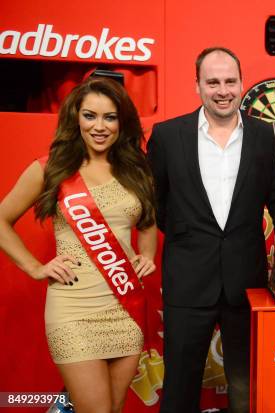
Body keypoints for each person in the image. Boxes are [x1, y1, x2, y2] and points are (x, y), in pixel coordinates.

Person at [146, 46, 275, 413]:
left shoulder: (267, 136)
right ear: (197, 85)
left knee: (246, 389)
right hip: (188, 280)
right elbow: (155, 204)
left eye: (230, 81)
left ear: (242, 83)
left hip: (247, 283)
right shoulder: (167, 136)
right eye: (213, 82)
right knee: (179, 388)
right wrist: (189, 237)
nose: (222, 90)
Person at [0, 77, 157, 413]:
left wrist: (147, 254)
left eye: (109, 117)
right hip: (74, 310)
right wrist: (34, 267)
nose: (99, 127)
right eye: (90, 116)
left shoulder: (135, 169)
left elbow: (146, 220)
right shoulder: (51, 169)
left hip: (124, 306)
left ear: (121, 121)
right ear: (75, 118)